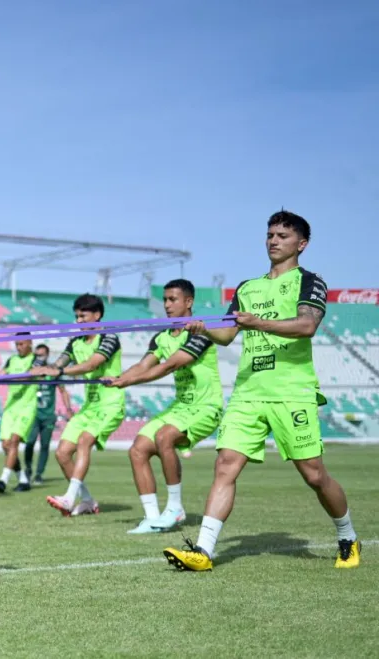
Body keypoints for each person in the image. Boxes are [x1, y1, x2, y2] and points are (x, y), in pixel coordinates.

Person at [164, 211, 360, 570]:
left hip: (292, 391)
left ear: (301, 244)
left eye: (283, 236)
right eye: (270, 234)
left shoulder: (309, 281)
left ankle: (347, 536)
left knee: (314, 475)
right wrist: (202, 328)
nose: (273, 240)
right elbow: (227, 335)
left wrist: (259, 322)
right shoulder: (246, 288)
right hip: (248, 392)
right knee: (225, 465)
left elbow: (306, 325)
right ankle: (203, 551)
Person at [104, 279, 223, 534]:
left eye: (173, 300)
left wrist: (130, 380)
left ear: (189, 302)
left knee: (164, 436)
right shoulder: (162, 337)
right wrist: (120, 377)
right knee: (137, 450)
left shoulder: (201, 331)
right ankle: (152, 517)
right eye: (165, 300)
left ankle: (175, 508)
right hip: (180, 407)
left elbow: (170, 365)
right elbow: (144, 365)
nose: (167, 305)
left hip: (206, 407)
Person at [41, 294, 124, 516]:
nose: (78, 321)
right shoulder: (75, 342)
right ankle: (87, 500)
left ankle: (69, 498)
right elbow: (59, 363)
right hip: (89, 407)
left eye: (82, 316)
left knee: (85, 441)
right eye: (76, 316)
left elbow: (91, 364)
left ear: (97, 316)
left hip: (110, 404)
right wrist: (44, 369)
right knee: (62, 453)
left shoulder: (109, 337)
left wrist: (59, 371)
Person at [0, 333, 45, 493]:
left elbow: (28, 376)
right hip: (10, 407)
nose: (19, 347)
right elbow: (0, 375)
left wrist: (8, 378)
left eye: (22, 344)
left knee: (14, 441)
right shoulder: (12, 360)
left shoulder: (37, 360)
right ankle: (23, 479)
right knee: (6, 445)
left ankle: (3, 479)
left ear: (30, 343)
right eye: (17, 345)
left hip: (27, 407)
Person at [23, 344, 72, 486]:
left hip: (48, 415)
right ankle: (27, 469)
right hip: (33, 414)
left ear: (48, 354)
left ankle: (38, 474)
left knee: (44, 445)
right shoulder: (33, 371)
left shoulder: (53, 371)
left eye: (42, 355)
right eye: (37, 355)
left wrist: (68, 409)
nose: (40, 357)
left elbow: (63, 391)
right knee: (30, 442)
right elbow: (24, 382)